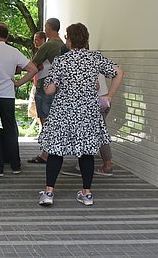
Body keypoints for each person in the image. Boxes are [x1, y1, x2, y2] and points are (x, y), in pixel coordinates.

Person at [37, 23, 125, 207]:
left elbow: (50, 90)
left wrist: (48, 85)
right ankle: (86, 194)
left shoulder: (61, 61)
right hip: (87, 112)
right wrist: (109, 96)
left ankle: (48, 193)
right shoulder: (95, 59)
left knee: (55, 150)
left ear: (69, 40)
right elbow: (119, 72)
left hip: (63, 111)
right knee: (86, 152)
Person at [15, 18, 65, 164]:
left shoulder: (48, 45)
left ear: (48, 28)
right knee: (56, 120)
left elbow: (33, 65)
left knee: (45, 120)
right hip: (60, 88)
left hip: (45, 87)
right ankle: (54, 150)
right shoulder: (63, 46)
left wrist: (17, 79)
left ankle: (46, 153)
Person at [0, 22, 31, 176]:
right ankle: (15, 164)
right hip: (8, 95)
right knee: (10, 130)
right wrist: (18, 82)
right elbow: (33, 68)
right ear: (7, 36)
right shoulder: (14, 51)